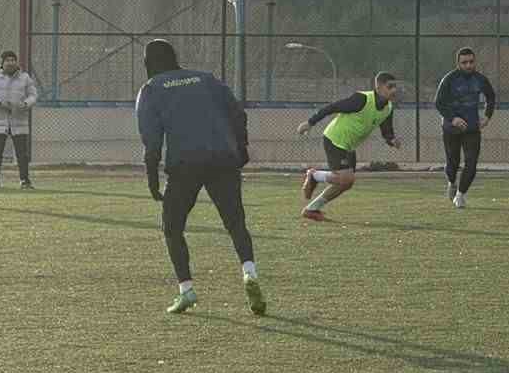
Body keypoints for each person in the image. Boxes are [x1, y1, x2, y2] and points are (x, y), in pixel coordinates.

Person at [134, 38, 265, 315]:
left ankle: (186, 291)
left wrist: (152, 179)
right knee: (235, 223)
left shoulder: (151, 89)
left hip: (185, 164)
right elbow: (238, 114)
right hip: (223, 159)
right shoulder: (206, 79)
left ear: (148, 63)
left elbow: (152, 140)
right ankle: (249, 273)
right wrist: (241, 149)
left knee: (172, 228)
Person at [296, 72, 401, 221]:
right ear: (378, 87)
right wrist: (310, 123)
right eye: (390, 86)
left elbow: (386, 130)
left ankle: (311, 209)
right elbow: (332, 107)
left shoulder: (388, 108)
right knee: (346, 178)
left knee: (346, 183)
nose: (394, 90)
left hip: (349, 146)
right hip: (335, 139)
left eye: (395, 86)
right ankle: (314, 175)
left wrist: (392, 140)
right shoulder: (362, 99)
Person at [433, 47, 496, 209]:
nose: (468, 65)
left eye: (471, 62)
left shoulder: (480, 79)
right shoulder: (449, 79)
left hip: (472, 129)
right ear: (458, 63)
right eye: (464, 62)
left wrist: (487, 116)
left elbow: (491, 96)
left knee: (471, 163)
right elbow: (438, 102)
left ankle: (460, 195)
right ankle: (451, 182)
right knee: (452, 163)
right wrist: (453, 118)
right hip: (451, 129)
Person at [0, 49, 38, 189]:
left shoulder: (25, 78)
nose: (11, 63)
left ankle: (25, 181)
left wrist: (25, 104)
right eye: (7, 60)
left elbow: (33, 95)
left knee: (22, 154)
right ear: (2, 62)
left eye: (13, 60)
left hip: (19, 121)